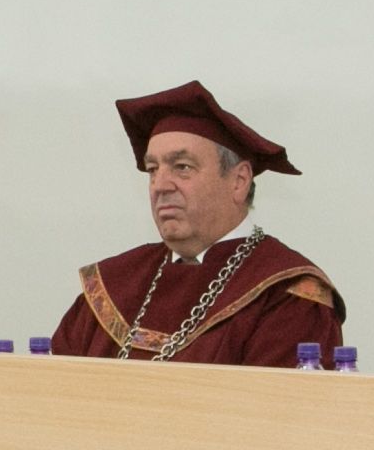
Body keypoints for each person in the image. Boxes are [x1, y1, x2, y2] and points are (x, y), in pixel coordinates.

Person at [49, 83, 344, 366]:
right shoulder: (112, 286)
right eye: (153, 169)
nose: (160, 185)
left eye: (182, 167)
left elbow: (278, 401)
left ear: (239, 181)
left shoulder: (287, 296)